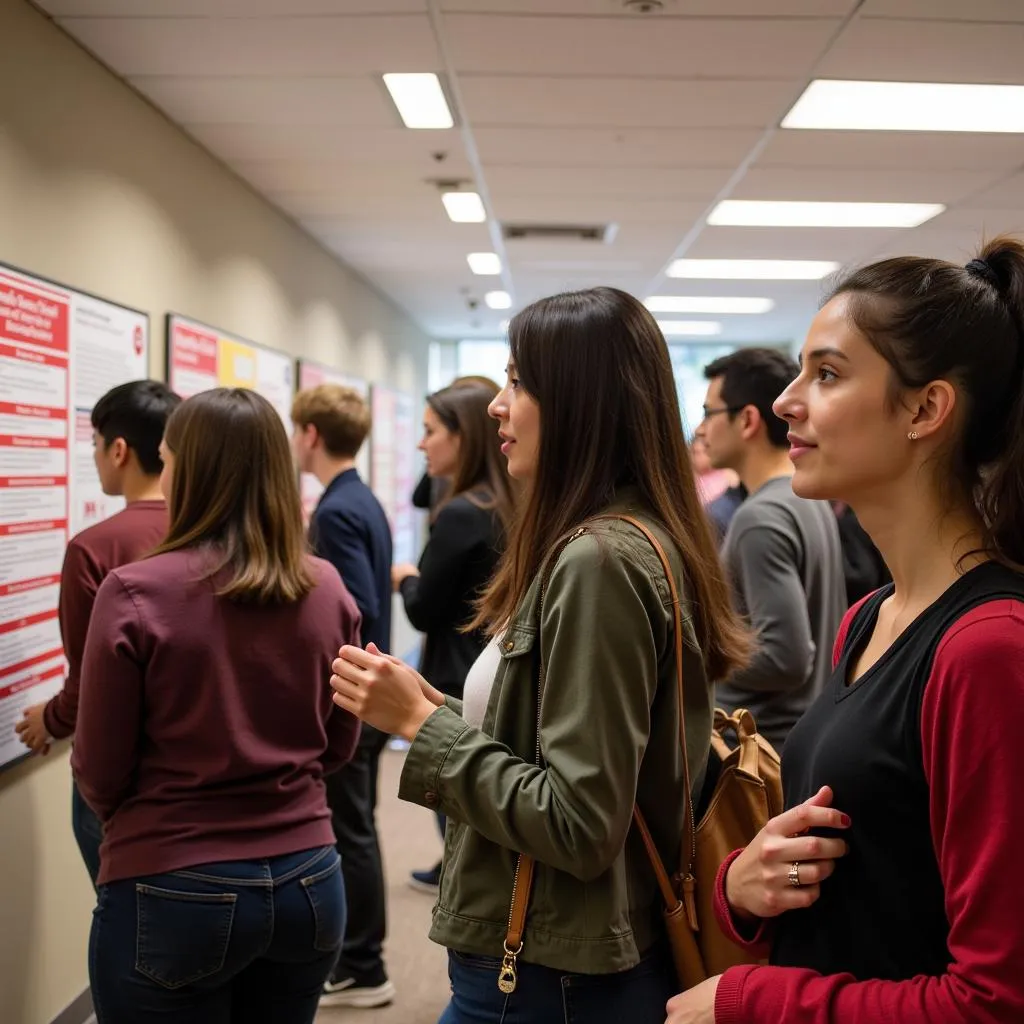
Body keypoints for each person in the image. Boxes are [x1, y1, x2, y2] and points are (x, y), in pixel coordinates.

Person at [331, 287, 750, 1024]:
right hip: (564, 966)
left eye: (519, 382)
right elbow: (557, 738)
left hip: (551, 978)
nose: (497, 404)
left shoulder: (601, 561)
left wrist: (427, 732)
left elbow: (580, 823)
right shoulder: (616, 540)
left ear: (581, 402)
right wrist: (437, 708)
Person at [665, 236, 1024, 1024]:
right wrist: (746, 885)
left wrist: (748, 1000)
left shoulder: (988, 648)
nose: (789, 402)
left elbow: (995, 1002)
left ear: (926, 409)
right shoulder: (868, 621)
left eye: (826, 374)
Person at [73, 388, 362, 1024]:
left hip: (172, 880)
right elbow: (341, 741)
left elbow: (98, 766)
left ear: (192, 471)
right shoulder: (327, 586)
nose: (165, 471)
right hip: (310, 880)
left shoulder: (133, 591)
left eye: (171, 458)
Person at [15, 379, 180, 886]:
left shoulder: (93, 548)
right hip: (192, 768)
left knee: (124, 921)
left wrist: (52, 720)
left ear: (119, 449)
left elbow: (90, 678)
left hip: (121, 772)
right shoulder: (208, 530)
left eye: (93, 444)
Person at [291, 383, 396, 1009]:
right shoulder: (359, 498)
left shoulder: (334, 510)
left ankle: (363, 964)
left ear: (310, 435)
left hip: (352, 694)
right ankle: (363, 958)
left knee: (351, 829)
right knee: (358, 825)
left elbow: (358, 605)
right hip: (366, 689)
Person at [392, 382, 515, 894]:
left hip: (454, 671)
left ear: (461, 437)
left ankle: (459, 880)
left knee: (456, 789)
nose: (421, 445)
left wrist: (404, 578)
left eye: (430, 432)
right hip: (489, 661)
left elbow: (423, 609)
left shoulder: (463, 511)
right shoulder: (508, 496)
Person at [697, 348, 845, 751]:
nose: (701, 429)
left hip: (761, 750)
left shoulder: (759, 518)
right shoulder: (806, 500)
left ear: (746, 420)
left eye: (709, 413)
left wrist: (695, 658)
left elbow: (787, 658)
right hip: (794, 737)